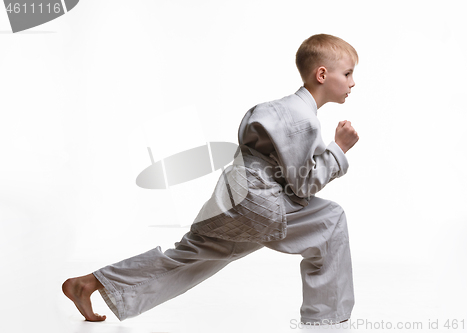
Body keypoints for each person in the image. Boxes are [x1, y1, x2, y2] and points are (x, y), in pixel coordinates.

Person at [62, 33, 359, 325]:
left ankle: (91, 283)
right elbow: (304, 185)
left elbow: (257, 149)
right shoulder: (303, 120)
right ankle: (327, 318)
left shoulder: (278, 108)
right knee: (330, 220)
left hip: (235, 195)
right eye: (347, 74)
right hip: (258, 202)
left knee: (190, 255)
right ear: (322, 74)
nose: (352, 83)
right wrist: (338, 149)